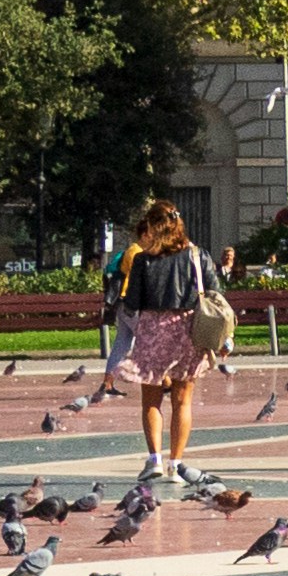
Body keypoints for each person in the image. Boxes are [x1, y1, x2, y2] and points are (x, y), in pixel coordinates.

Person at [114, 197, 215, 471]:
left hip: (154, 331)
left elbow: (132, 302)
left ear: (154, 227)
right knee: (183, 400)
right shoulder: (198, 256)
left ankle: (155, 460)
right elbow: (216, 293)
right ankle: (177, 463)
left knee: (151, 399)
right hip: (188, 330)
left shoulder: (143, 261)